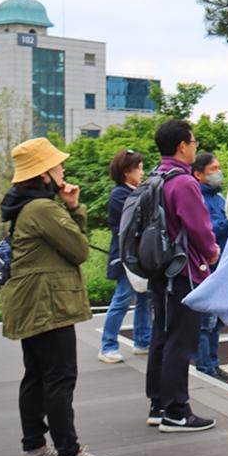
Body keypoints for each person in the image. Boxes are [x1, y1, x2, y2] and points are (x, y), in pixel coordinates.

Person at [0, 137, 113, 456]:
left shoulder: (24, 207)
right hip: (47, 302)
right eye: (57, 164)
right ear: (44, 173)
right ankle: (69, 453)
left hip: (29, 301)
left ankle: (34, 447)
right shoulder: (43, 209)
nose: (63, 167)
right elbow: (78, 250)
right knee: (60, 376)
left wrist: (69, 205)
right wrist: (75, 208)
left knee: (36, 374)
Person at [145, 119, 220, 433]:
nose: (196, 147)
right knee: (182, 339)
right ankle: (177, 410)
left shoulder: (155, 176)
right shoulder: (185, 182)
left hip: (159, 269)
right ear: (182, 146)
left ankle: (158, 403)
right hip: (184, 271)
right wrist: (212, 252)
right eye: (194, 142)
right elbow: (199, 229)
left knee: (161, 334)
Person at [98, 149, 152, 363]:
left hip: (138, 256)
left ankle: (142, 341)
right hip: (126, 256)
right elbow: (137, 220)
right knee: (122, 299)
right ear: (126, 171)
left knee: (144, 298)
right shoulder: (120, 194)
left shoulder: (134, 191)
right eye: (138, 168)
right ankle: (107, 346)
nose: (142, 172)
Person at [191, 151, 228, 383]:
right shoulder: (196, 197)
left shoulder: (218, 198)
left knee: (216, 321)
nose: (218, 173)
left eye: (219, 167)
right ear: (199, 174)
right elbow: (206, 229)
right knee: (205, 322)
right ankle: (205, 366)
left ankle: (212, 363)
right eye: (213, 169)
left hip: (223, 267)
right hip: (206, 267)